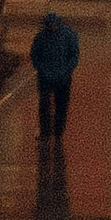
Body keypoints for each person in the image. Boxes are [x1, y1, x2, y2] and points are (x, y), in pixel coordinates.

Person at [30, 8, 80, 145]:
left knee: (60, 105)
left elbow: (74, 55)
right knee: (46, 103)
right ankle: (47, 130)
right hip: (49, 76)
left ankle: (57, 130)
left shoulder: (67, 36)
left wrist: (67, 69)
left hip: (60, 76)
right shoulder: (42, 37)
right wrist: (42, 68)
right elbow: (35, 55)